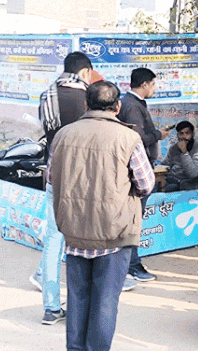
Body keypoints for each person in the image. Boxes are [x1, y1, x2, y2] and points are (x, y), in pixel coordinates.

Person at [48, 81, 155, 351]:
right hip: (115, 231)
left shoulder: (64, 135)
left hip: (74, 229)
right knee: (105, 302)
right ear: (117, 107)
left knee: (77, 298)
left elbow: (51, 176)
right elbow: (145, 184)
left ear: (86, 105)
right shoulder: (128, 138)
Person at [30, 52, 92, 325]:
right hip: (84, 178)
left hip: (55, 174)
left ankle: (51, 306)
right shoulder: (89, 99)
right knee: (85, 242)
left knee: (54, 239)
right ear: (86, 72)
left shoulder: (48, 95)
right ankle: (81, 308)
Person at [117, 67, 170, 283]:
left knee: (134, 219)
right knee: (134, 220)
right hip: (136, 170)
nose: (155, 88)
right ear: (145, 84)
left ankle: (130, 263)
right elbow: (136, 139)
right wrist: (158, 134)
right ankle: (132, 265)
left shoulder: (135, 104)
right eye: (154, 84)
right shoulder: (131, 106)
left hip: (141, 167)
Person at [160, 120, 198, 192]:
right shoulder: (174, 148)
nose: (184, 137)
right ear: (178, 135)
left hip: (189, 184)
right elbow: (165, 165)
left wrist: (184, 153)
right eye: (181, 133)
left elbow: (193, 174)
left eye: (187, 133)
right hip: (172, 180)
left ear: (193, 135)